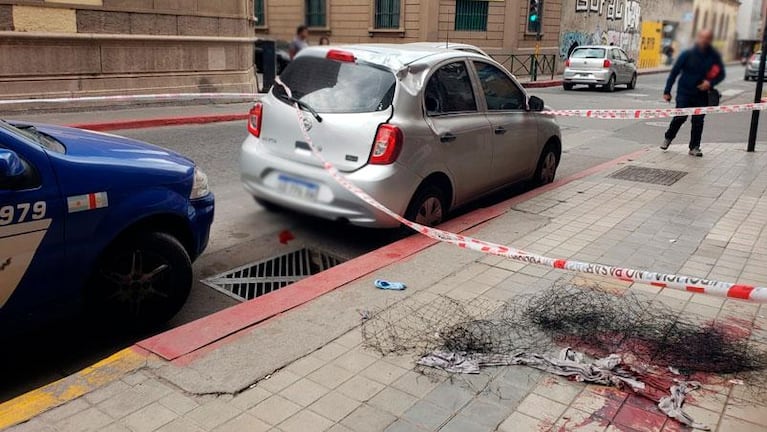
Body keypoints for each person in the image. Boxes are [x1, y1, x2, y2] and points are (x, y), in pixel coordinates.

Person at [661, 29, 725, 157]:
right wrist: (667, 91)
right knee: (680, 117)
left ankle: (694, 147)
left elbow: (721, 73)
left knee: (698, 121)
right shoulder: (687, 54)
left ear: (710, 40)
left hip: (701, 95)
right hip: (685, 92)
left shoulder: (713, 56)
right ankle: (668, 137)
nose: (704, 41)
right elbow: (674, 73)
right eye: (702, 37)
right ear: (698, 38)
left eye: (707, 38)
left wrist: (710, 83)